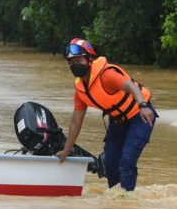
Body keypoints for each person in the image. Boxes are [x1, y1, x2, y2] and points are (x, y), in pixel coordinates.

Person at [55, 38, 157, 191]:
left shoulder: (106, 75)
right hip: (117, 121)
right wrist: (66, 150)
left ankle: (126, 200)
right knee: (109, 164)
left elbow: (131, 87)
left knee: (127, 162)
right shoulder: (81, 92)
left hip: (140, 116)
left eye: (78, 60)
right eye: (70, 62)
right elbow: (76, 123)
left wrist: (143, 105)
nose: (74, 65)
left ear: (89, 59)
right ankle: (115, 201)